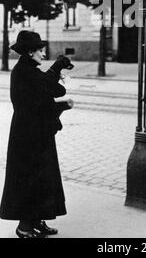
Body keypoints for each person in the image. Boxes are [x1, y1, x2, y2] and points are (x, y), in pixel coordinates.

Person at [0, 30, 74, 238]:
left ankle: (37, 220)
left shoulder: (29, 69)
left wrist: (61, 103)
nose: (43, 54)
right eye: (40, 51)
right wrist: (58, 66)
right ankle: (24, 227)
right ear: (30, 52)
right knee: (29, 179)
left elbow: (49, 91)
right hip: (27, 136)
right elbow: (48, 90)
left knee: (43, 177)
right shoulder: (24, 71)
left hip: (36, 133)